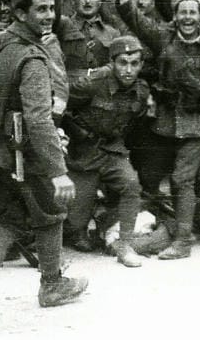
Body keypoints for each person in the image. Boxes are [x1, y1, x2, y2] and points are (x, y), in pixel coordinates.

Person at [0, 0, 87, 330]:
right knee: (50, 214)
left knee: (4, 218)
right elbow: (39, 118)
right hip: (27, 152)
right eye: (41, 9)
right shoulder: (33, 59)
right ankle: (51, 284)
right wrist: (58, 170)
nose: (50, 16)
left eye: (52, 8)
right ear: (20, 12)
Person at [115, 0, 200, 260]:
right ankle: (153, 228)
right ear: (175, 14)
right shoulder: (163, 38)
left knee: (183, 180)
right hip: (165, 121)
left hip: (196, 121)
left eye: (192, 12)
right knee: (150, 176)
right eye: (182, 11)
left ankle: (183, 241)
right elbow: (133, 17)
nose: (187, 17)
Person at [62, 36, 151, 267]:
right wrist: (66, 133)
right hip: (83, 153)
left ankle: (125, 244)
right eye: (123, 62)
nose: (128, 69)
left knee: (131, 184)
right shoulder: (94, 82)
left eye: (134, 63)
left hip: (112, 150)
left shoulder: (141, 91)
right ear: (112, 62)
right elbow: (59, 103)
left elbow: (134, 122)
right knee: (73, 220)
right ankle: (79, 227)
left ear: (141, 65)